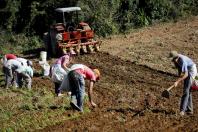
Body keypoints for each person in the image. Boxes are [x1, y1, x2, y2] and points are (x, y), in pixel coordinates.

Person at [169, 51, 197, 116]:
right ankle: (189, 110)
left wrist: (178, 81)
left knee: (186, 91)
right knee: (188, 91)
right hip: (187, 71)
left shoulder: (182, 60)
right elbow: (181, 70)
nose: (172, 61)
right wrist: (179, 79)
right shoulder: (177, 60)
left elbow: (186, 74)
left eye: (172, 59)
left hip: (192, 72)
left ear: (175, 58)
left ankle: (182, 111)